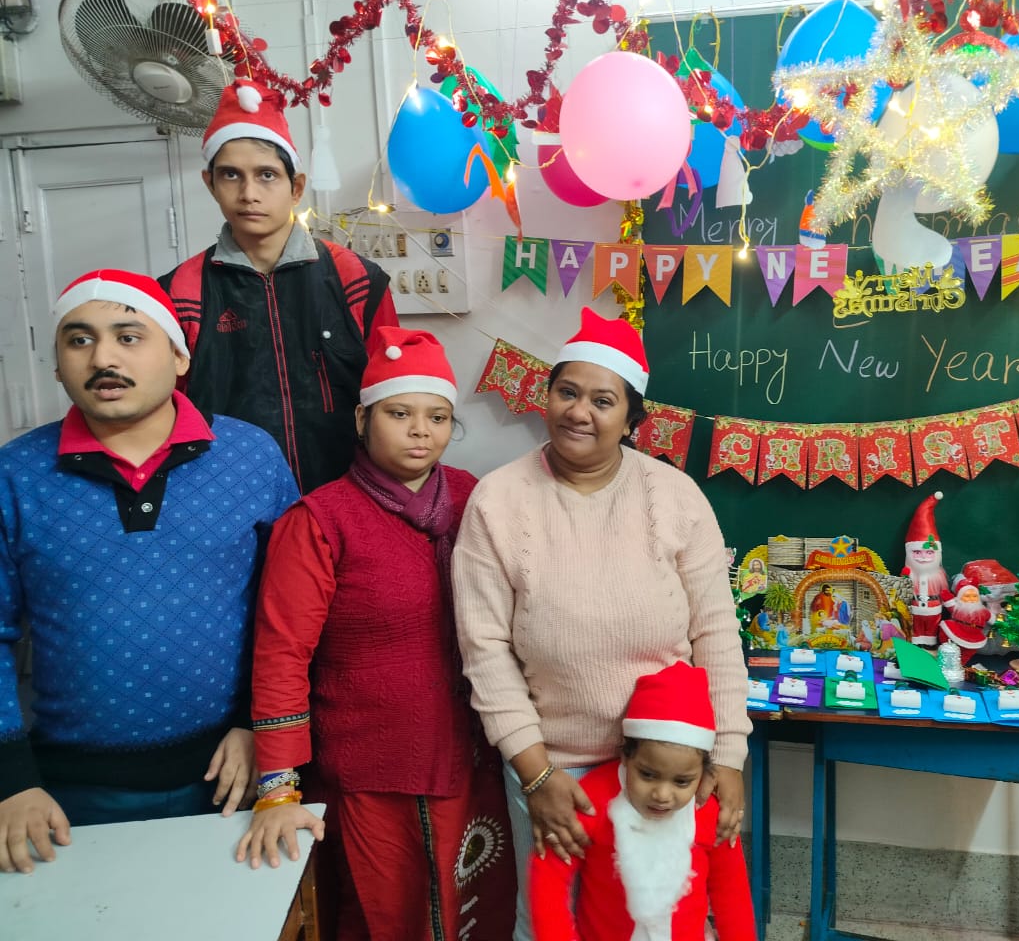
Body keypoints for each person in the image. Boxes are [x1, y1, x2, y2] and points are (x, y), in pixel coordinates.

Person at [453, 306, 751, 941]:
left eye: (603, 400)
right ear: (546, 396)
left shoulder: (675, 497)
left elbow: (716, 635)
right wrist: (537, 775)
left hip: (667, 770)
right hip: (554, 768)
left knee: (658, 920)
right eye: (567, 392)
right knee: (550, 924)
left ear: (632, 419)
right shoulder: (497, 501)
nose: (579, 412)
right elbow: (485, 651)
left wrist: (727, 756)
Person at [0, 270, 297, 874]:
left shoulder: (250, 456)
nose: (102, 358)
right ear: (57, 365)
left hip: (233, 777)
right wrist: (12, 780)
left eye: (128, 336)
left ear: (179, 357)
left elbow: (293, 614)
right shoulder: (16, 474)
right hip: (65, 795)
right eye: (79, 340)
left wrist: (259, 726)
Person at [237, 327, 515, 941]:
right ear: (363, 419)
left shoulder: (476, 497)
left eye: (437, 417)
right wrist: (278, 786)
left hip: (476, 756)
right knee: (389, 919)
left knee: (481, 911)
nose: (421, 431)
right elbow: (281, 654)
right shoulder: (320, 520)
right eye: (399, 414)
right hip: (374, 767)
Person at [158, 79, 399, 494]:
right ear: (210, 183)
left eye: (266, 175)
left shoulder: (356, 278)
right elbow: (165, 408)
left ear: (296, 187)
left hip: (347, 495)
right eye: (231, 175)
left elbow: (395, 393)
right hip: (227, 498)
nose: (248, 193)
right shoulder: (181, 291)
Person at [529, 661, 755, 941]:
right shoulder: (594, 798)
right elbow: (549, 875)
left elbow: (732, 892)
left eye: (682, 782)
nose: (662, 795)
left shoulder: (707, 809)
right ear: (626, 756)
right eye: (647, 775)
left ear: (704, 773)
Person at [902, 490, 953, 648]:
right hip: (915, 609)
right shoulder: (910, 573)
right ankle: (916, 642)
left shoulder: (939, 575)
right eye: (917, 552)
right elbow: (901, 590)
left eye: (929, 553)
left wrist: (951, 603)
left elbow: (945, 593)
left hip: (934, 609)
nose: (923, 557)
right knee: (915, 629)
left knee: (932, 629)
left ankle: (930, 643)